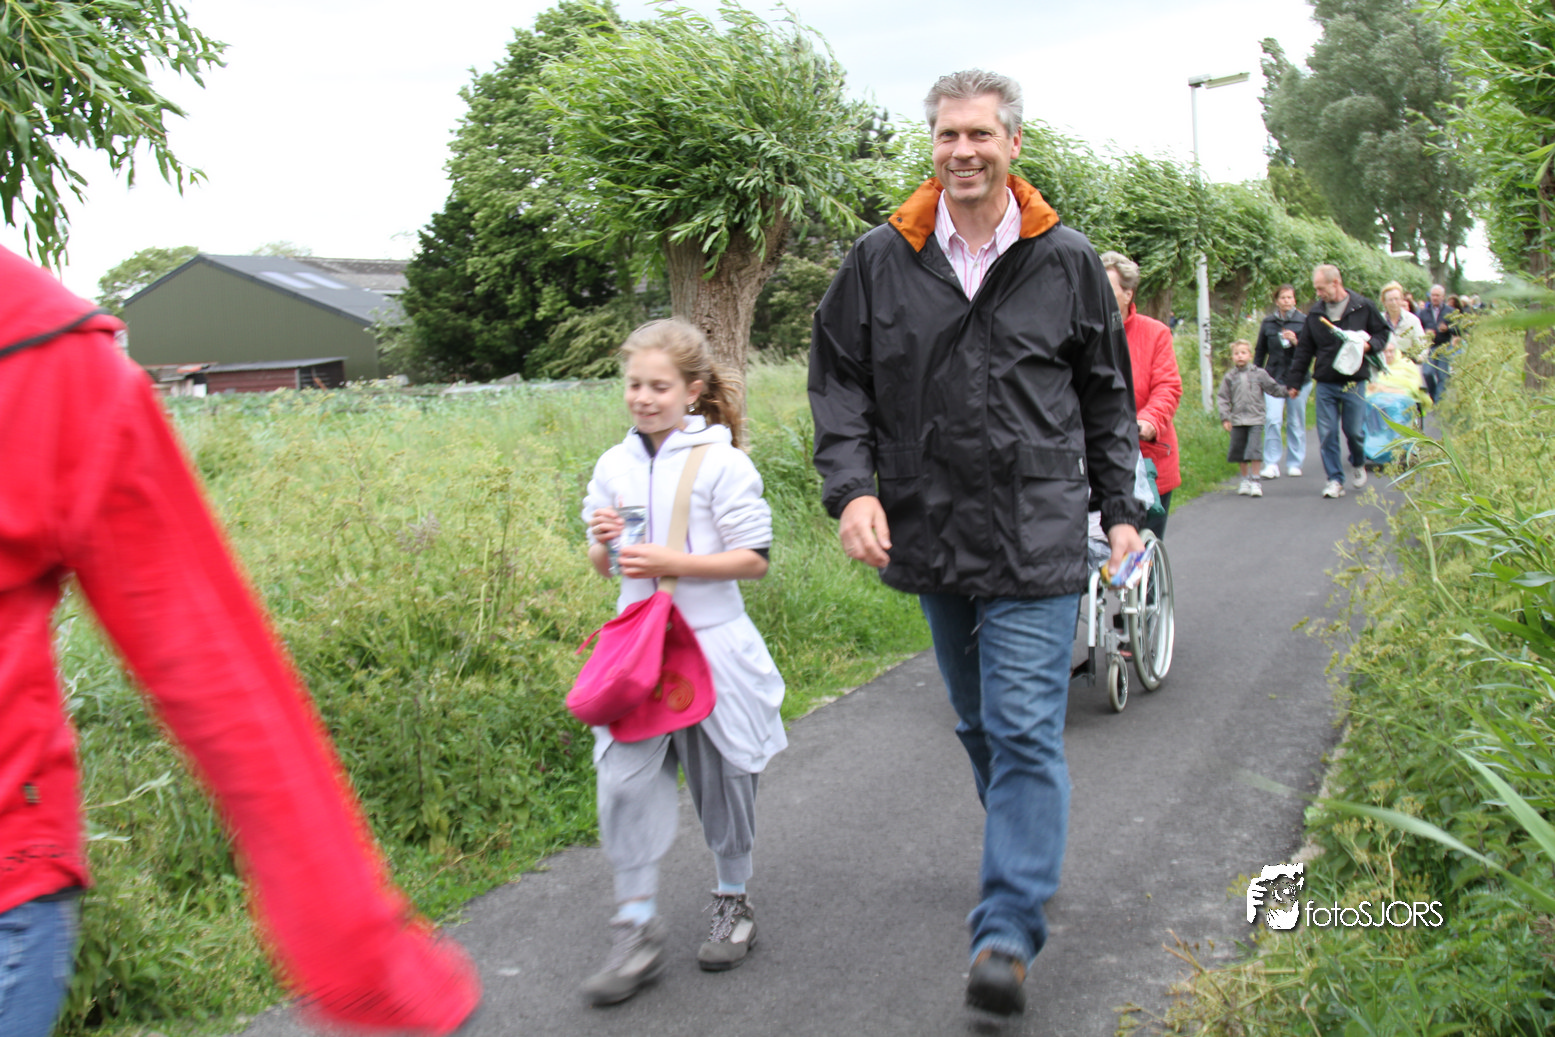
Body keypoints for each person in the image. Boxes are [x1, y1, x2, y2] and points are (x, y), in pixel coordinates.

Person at [0, 247, 479, 1036]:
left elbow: (212, 667)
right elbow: (217, 664)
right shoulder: (48, 351)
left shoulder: (44, 357)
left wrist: (360, 955)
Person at [808, 69, 1144, 1017]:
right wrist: (853, 490)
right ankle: (1025, 847)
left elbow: (1106, 396)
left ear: (1012, 145)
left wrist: (1119, 507)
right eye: (947, 134)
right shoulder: (881, 259)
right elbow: (838, 382)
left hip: (1037, 525)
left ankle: (1005, 929)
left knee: (1026, 724)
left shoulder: (1064, 259)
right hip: (929, 523)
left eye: (980, 135)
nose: (963, 151)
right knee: (976, 722)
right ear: (932, 145)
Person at [579, 319, 785, 1006]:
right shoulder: (612, 465)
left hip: (711, 644)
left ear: (692, 390)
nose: (643, 397)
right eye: (634, 384)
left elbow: (753, 560)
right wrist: (604, 542)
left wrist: (675, 561)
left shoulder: (724, 463)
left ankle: (733, 900)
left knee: (724, 778)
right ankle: (635, 924)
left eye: (659, 386)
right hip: (638, 651)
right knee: (623, 782)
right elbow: (604, 564)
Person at [1282, 264, 1389, 499]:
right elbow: (1305, 349)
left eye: (1321, 289)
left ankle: (1358, 461)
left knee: (1354, 431)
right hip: (1326, 381)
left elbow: (1382, 333)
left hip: (1354, 381)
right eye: (1316, 289)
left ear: (1336, 283)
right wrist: (1294, 382)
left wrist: (1369, 346)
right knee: (1327, 432)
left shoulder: (1363, 306)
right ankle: (1334, 480)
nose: (1318, 293)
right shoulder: (1316, 314)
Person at [1100, 251, 1182, 538]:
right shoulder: (1081, 333)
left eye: (1107, 290)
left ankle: (1139, 568)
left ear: (1128, 294)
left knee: (1137, 552)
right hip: (1095, 461)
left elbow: (1167, 387)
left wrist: (1148, 421)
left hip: (1146, 460)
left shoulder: (1155, 333)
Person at [1254, 284, 1310, 479]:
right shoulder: (1268, 322)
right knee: (1272, 420)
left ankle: (1295, 462)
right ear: (1277, 301)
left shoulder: (1304, 321)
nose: (1287, 301)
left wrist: (1296, 342)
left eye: (1290, 297)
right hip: (1274, 378)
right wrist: (1256, 374)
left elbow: (1310, 351)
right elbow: (1260, 350)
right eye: (1283, 298)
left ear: (1295, 300)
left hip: (1298, 379)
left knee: (1295, 421)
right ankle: (1271, 463)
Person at [1218, 340, 1285, 498]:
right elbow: (1223, 398)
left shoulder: (1259, 374)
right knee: (1240, 451)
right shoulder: (1230, 377)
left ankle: (1256, 480)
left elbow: (1273, 388)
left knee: (1254, 450)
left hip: (1256, 419)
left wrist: (1289, 391)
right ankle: (1245, 479)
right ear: (1232, 357)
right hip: (1237, 420)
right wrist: (1226, 418)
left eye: (1243, 353)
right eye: (1236, 353)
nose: (1240, 356)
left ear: (1250, 355)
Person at [1416, 284, 1453, 405]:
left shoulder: (1450, 311)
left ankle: (1438, 401)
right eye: (1433, 295)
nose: (1435, 298)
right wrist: (1425, 332)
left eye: (1437, 295)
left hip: (1444, 346)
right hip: (1429, 346)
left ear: (1443, 296)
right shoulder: (1423, 312)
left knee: (1443, 375)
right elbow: (1417, 328)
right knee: (1427, 373)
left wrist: (1448, 329)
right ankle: (1433, 395)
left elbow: (1458, 328)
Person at [1379, 281, 1428, 362]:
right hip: (1383, 364)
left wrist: (1418, 358)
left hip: (1406, 364)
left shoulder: (1413, 320)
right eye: (1390, 300)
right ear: (1384, 302)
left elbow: (1422, 346)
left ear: (1402, 300)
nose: (1394, 303)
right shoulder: (1378, 320)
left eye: (1397, 299)